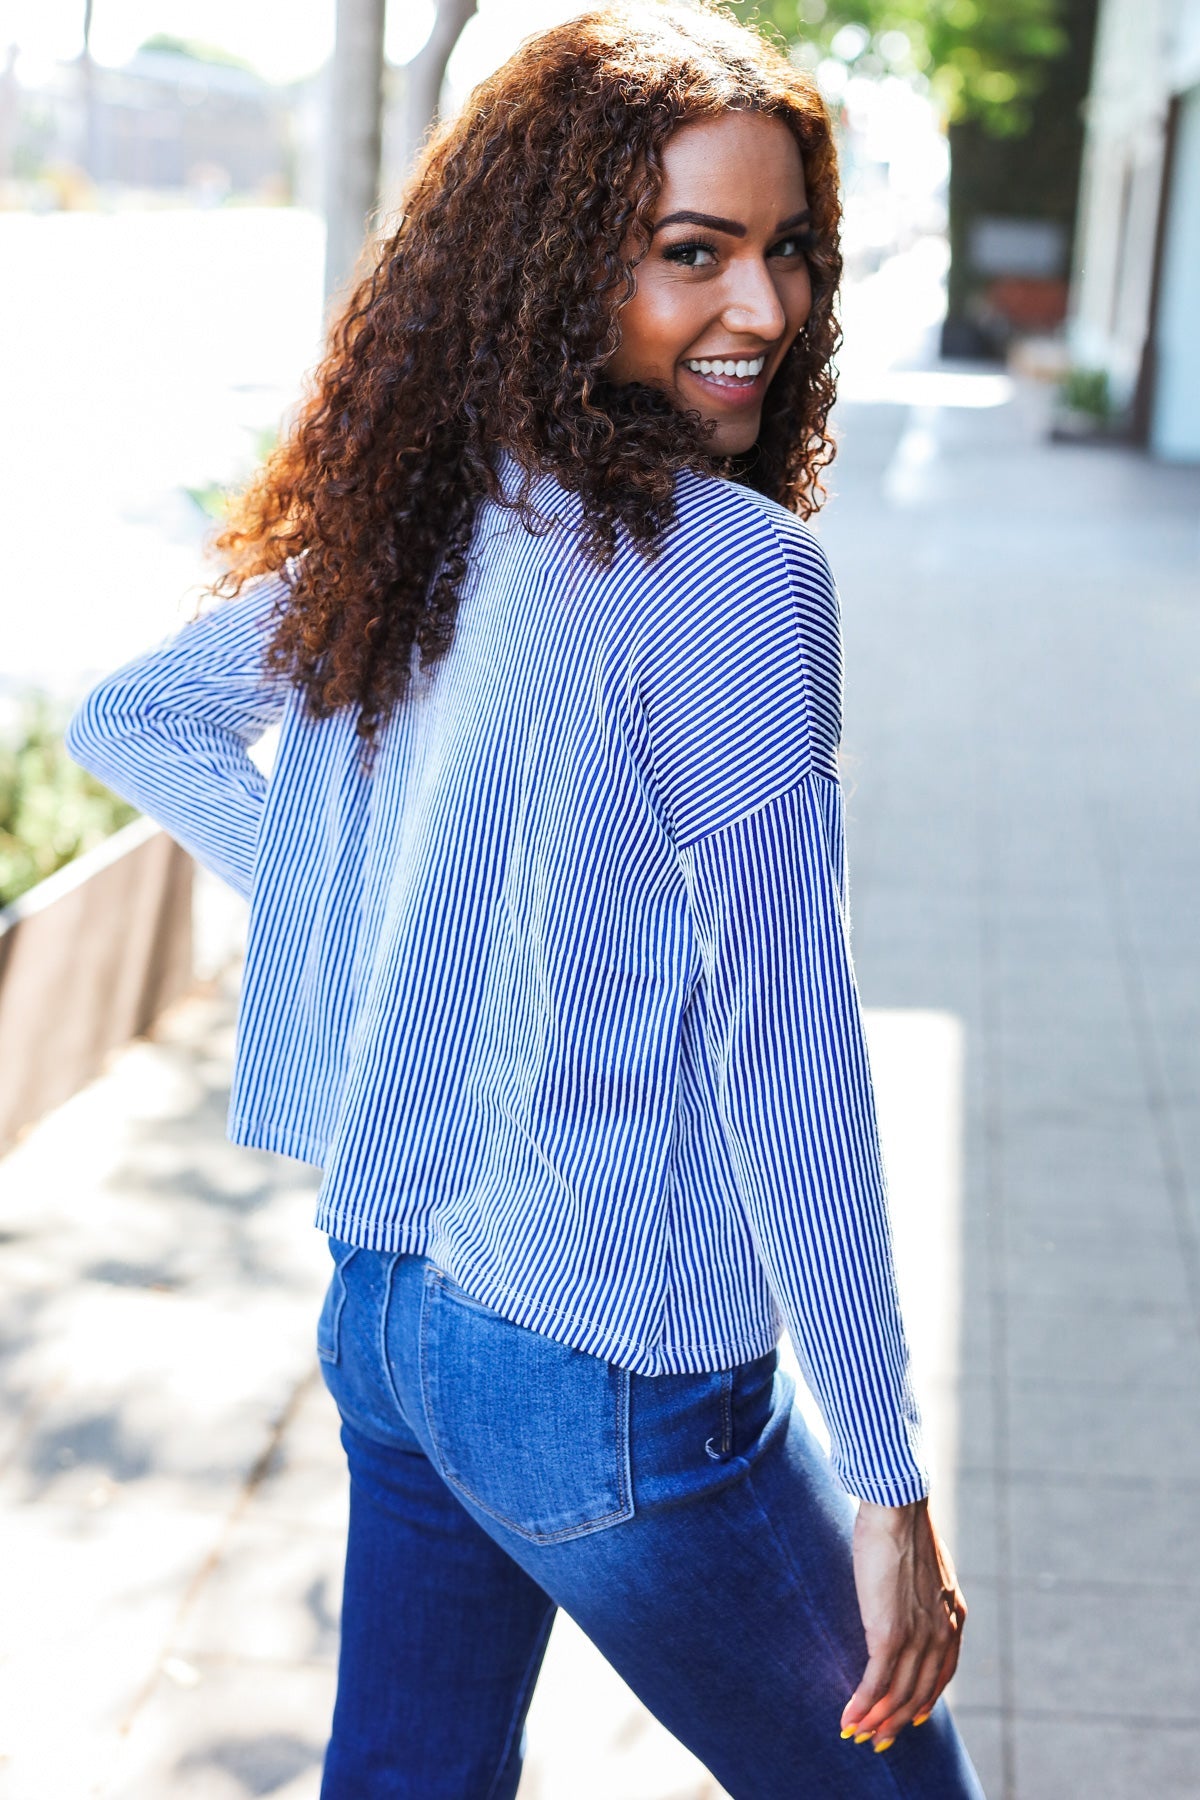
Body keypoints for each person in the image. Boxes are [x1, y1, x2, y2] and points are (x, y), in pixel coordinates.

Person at [65, 3, 988, 1795]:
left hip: (398, 1326)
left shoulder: (443, 513)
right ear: (559, 264)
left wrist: (378, 928)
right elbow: (792, 1047)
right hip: (621, 1381)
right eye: (690, 254)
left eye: (789, 251)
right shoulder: (737, 574)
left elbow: (139, 718)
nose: (767, 310)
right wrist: (887, 1477)